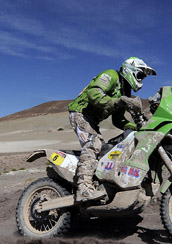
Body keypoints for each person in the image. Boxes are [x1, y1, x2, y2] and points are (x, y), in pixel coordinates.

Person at [67, 57, 156, 202]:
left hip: (93, 121)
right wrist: (117, 101)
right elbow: (93, 94)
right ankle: (83, 188)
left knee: (106, 150)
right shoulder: (111, 75)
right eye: (140, 75)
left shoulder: (124, 91)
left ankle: (101, 185)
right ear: (130, 70)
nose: (141, 80)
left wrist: (135, 127)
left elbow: (118, 119)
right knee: (93, 144)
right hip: (81, 113)